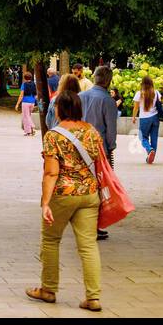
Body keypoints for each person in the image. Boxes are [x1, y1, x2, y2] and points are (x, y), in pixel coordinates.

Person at [28, 88, 104, 311]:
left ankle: (48, 289)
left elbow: (51, 173)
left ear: (59, 109)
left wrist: (45, 203)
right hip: (89, 194)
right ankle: (93, 297)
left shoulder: (53, 135)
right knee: (88, 245)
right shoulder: (92, 131)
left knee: (51, 240)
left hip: (63, 194)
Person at [79, 65, 120, 241]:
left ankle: (84, 224)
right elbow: (111, 129)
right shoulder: (107, 101)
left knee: (83, 186)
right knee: (98, 188)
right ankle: (93, 226)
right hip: (99, 150)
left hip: (79, 148)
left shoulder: (80, 97)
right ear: (109, 80)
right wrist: (111, 146)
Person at [136, 77, 162, 164]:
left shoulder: (139, 93)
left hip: (144, 118)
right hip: (155, 118)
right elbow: (160, 104)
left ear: (142, 83)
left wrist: (133, 117)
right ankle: (151, 155)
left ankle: (149, 149)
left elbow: (136, 107)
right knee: (154, 138)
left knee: (142, 137)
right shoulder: (157, 93)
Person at [16, 70, 38, 136]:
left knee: (26, 116)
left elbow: (21, 95)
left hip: (25, 102)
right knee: (28, 116)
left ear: (24, 78)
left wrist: (17, 104)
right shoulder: (34, 84)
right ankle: (28, 131)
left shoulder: (24, 84)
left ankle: (32, 126)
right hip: (32, 102)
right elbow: (36, 94)